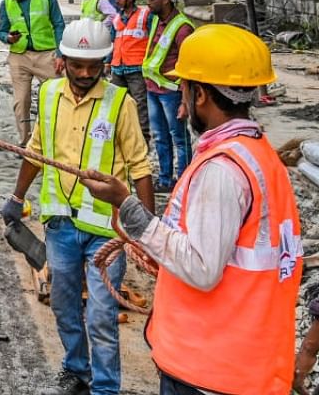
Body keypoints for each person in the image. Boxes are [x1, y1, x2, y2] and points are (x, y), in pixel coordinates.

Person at [79, 24, 300, 395]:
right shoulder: (261, 156)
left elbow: (200, 268)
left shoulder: (222, 171)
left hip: (211, 369)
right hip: (248, 362)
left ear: (199, 94)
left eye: (183, 90)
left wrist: (127, 206)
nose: (180, 103)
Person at [3, 19, 155, 395]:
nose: (85, 74)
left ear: (104, 63)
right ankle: (76, 370)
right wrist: (17, 197)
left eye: (93, 66)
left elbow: (139, 166)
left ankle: (105, 388)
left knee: (102, 315)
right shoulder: (50, 95)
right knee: (63, 304)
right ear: (62, 61)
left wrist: (146, 231)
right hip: (61, 227)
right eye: (77, 65)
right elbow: (36, 151)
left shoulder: (119, 102)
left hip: (107, 230)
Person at [138, 0, 195, 192]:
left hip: (172, 93)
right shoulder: (157, 22)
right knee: (160, 137)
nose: (149, 3)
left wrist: (185, 101)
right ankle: (164, 180)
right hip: (154, 90)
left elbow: (189, 68)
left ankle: (184, 183)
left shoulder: (182, 28)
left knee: (179, 139)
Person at [0, 0, 65, 145]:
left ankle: (57, 138)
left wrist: (60, 54)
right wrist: (8, 38)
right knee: (21, 101)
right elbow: (2, 31)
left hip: (46, 55)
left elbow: (59, 24)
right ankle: (26, 142)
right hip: (19, 56)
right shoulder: (6, 3)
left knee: (58, 97)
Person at [109, 0, 151, 143]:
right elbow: (114, 41)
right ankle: (119, 136)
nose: (117, 1)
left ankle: (142, 139)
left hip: (136, 69)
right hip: (118, 68)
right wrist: (107, 62)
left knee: (139, 104)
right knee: (116, 102)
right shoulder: (117, 19)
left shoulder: (145, 15)